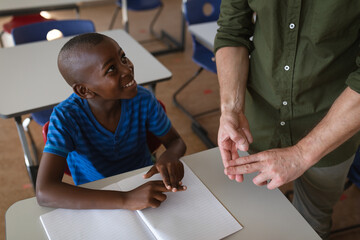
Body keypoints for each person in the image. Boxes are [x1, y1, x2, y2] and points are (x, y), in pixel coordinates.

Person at [214, 1, 360, 239]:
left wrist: (302, 154)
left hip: (332, 123)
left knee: (312, 220)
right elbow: (232, 30)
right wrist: (231, 108)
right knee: (247, 216)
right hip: (255, 118)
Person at [36, 33, 187, 211]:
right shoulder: (66, 118)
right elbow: (44, 192)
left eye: (123, 58)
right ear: (84, 90)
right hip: (98, 195)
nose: (127, 69)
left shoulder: (143, 99)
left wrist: (169, 156)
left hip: (143, 181)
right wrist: (125, 199)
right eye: (111, 69)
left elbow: (176, 142)